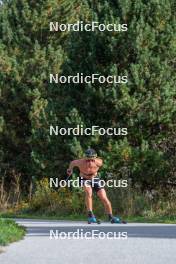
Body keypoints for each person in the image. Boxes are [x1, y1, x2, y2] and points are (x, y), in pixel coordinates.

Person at [67, 148, 121, 223]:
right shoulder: (80, 162)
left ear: (95, 157)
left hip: (95, 178)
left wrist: (93, 161)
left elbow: (100, 163)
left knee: (104, 197)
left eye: (91, 159)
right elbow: (72, 163)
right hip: (84, 178)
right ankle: (90, 215)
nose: (89, 161)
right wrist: (70, 169)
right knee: (89, 192)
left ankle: (111, 216)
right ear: (85, 157)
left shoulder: (98, 162)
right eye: (87, 159)